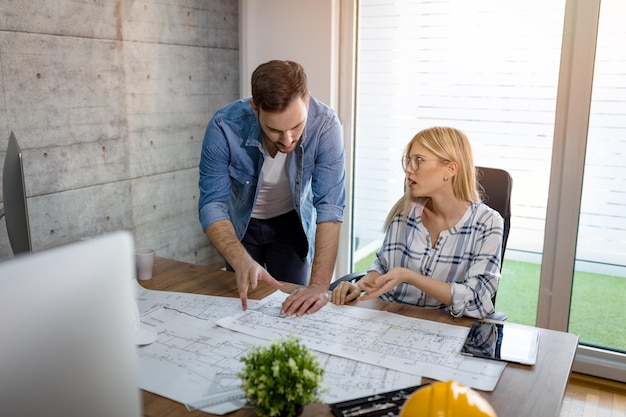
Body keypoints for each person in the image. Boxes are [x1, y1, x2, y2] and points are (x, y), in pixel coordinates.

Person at [199, 60, 346, 316]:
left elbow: (330, 208)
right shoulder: (224, 126)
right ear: (255, 108)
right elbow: (212, 204)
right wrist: (240, 260)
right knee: (243, 308)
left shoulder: (326, 126)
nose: (287, 140)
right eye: (275, 130)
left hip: (291, 225)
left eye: (296, 126)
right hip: (240, 227)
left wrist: (320, 286)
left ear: (307, 101)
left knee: (295, 308)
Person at [331, 126, 503, 318]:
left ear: (450, 169)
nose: (408, 169)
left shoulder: (488, 222)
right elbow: (383, 266)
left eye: (418, 161)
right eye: (408, 160)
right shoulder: (406, 210)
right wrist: (359, 286)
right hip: (387, 317)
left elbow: (478, 301)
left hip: (442, 326)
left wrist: (410, 277)